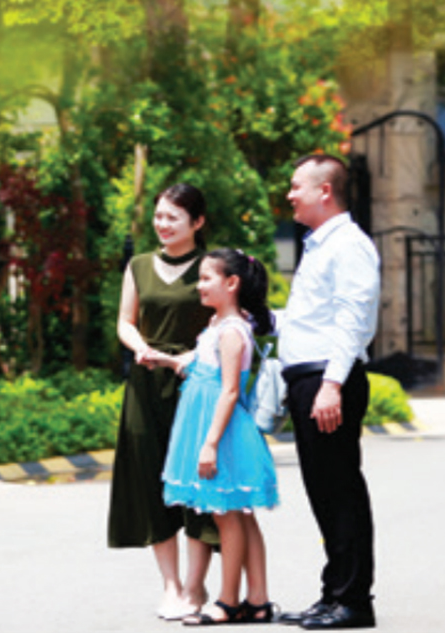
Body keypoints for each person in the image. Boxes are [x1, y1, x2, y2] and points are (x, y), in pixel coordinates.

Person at [276, 154, 380, 630]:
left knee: (340, 491)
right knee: (324, 492)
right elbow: (311, 319)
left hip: (326, 380)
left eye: (296, 186)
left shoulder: (349, 245)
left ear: (324, 191)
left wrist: (332, 384)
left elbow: (353, 319)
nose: (290, 194)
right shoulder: (320, 245)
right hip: (310, 380)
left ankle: (353, 601)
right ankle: (334, 593)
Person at [108, 183, 220, 620]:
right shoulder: (138, 265)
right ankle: (171, 586)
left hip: (196, 383)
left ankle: (195, 587)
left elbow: (228, 321)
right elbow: (125, 320)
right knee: (150, 481)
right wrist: (140, 347)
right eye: (159, 216)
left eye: (173, 217)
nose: (163, 224)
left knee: (195, 484)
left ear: (197, 222)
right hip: (146, 383)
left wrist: (192, 356)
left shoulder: (211, 266)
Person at [155, 248, 281, 626]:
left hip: (220, 430)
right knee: (240, 515)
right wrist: (164, 359)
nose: (199, 285)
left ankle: (227, 601)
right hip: (212, 424)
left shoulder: (231, 331)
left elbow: (228, 390)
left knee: (227, 516)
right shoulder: (219, 324)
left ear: (232, 283)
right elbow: (200, 364)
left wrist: (209, 443)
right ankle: (257, 600)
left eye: (207, 277)